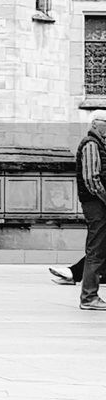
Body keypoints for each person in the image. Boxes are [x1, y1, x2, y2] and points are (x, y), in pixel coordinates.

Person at [75, 109, 106, 311]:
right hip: (96, 204)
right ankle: (88, 297)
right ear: (95, 124)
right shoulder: (91, 144)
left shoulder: (99, 144)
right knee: (96, 248)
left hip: (99, 203)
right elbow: (92, 180)